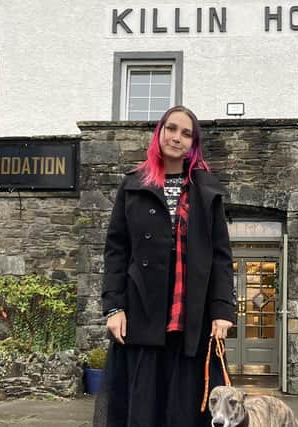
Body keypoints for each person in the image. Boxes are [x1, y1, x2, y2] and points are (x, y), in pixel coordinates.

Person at [97, 105, 236, 427]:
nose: (177, 138)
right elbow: (116, 250)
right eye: (172, 129)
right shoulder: (133, 184)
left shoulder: (207, 190)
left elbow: (220, 256)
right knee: (143, 408)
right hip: (143, 313)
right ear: (160, 132)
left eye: (187, 133)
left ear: (194, 143)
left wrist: (222, 311)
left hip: (194, 319)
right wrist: (114, 307)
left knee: (188, 411)